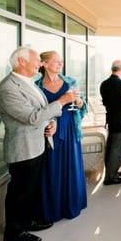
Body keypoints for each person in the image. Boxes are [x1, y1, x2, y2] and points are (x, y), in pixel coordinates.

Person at [0, 46, 77, 241]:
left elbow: (40, 112)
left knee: (29, 189)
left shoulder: (29, 83)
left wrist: (52, 124)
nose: (39, 64)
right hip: (23, 148)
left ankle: (27, 221)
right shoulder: (7, 88)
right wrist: (61, 102)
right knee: (19, 192)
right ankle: (14, 233)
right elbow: (31, 117)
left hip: (37, 144)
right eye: (36, 60)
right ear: (21, 61)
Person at [36, 51, 87, 222]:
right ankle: (51, 209)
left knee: (70, 166)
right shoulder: (36, 85)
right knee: (50, 169)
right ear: (44, 63)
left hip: (70, 129)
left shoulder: (70, 82)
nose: (60, 64)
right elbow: (35, 113)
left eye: (61, 61)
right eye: (56, 61)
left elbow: (82, 106)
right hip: (47, 131)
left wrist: (80, 103)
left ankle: (70, 204)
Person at [99, 60, 121, 185]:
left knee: (111, 147)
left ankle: (111, 172)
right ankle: (111, 177)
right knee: (117, 149)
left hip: (112, 119)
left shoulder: (104, 84)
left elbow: (105, 102)